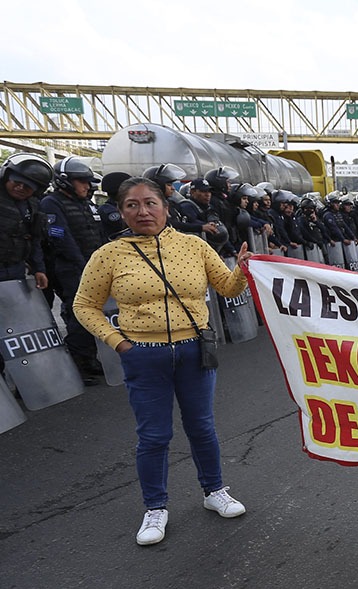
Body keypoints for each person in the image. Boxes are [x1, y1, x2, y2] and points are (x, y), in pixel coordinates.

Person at [73, 177, 253, 546]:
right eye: (132, 205)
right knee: (153, 436)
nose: (143, 211)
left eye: (150, 203)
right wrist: (118, 343)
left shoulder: (194, 245)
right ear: (121, 212)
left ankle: (214, 490)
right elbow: (83, 305)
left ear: (166, 207)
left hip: (194, 350)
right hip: (143, 355)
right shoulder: (108, 255)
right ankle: (155, 507)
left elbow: (228, 288)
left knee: (202, 427)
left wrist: (243, 270)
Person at [39, 157, 106, 383]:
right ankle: (79, 362)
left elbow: (98, 235)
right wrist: (84, 266)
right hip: (70, 269)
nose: (86, 186)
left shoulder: (85, 203)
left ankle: (90, 358)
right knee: (80, 315)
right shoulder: (51, 203)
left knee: (95, 313)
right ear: (66, 181)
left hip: (91, 267)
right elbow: (61, 238)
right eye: (82, 181)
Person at [0, 155, 54, 380]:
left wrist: (39, 268)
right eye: (17, 181)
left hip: (14, 272)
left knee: (15, 329)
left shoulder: (33, 206)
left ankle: (23, 380)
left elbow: (33, 240)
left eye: (28, 186)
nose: (21, 187)